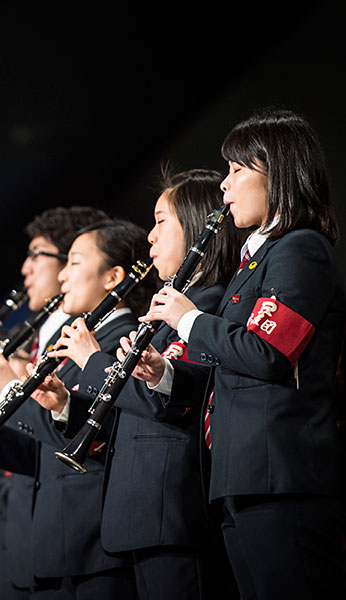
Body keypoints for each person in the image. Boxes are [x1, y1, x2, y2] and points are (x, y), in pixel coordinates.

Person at [130, 108, 346, 599]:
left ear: (280, 171)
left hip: (282, 479)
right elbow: (228, 372)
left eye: (236, 169)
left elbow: (267, 353)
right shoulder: (256, 262)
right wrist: (162, 372)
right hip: (243, 479)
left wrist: (187, 318)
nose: (224, 187)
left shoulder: (300, 248)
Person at [42, 166, 244, 599]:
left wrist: (92, 361)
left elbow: (174, 401)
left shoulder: (206, 305)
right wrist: (64, 403)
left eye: (160, 221)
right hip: (143, 517)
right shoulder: (169, 308)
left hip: (173, 513)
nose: (150, 236)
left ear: (194, 225)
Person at [0, 219, 156, 599]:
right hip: (56, 548)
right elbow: (42, 452)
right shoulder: (80, 342)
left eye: (74, 263)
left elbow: (97, 435)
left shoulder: (118, 342)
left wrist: (8, 386)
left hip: (95, 542)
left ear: (113, 277)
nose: (63, 276)